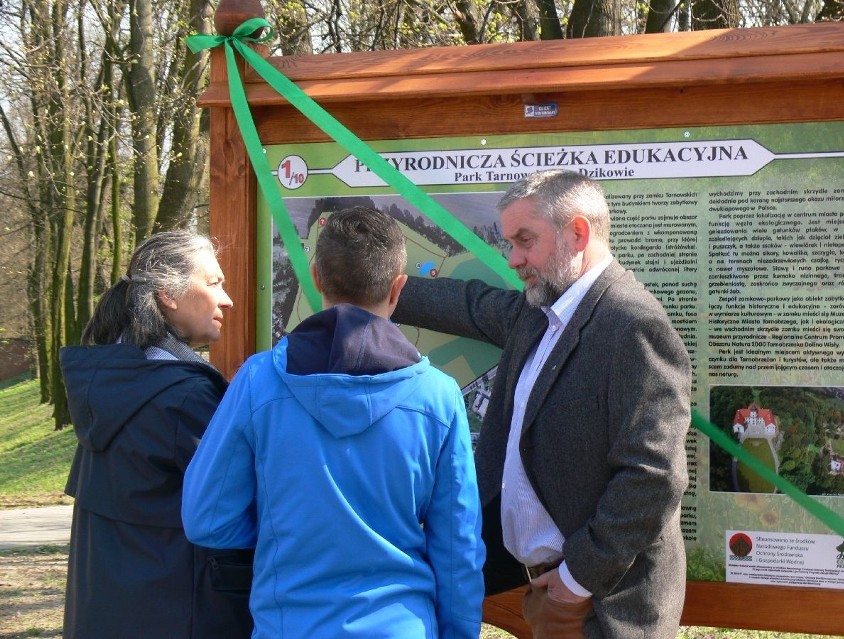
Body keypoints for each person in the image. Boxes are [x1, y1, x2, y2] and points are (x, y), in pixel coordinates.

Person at [391, 170, 692, 639]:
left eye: (524, 241)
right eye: (510, 243)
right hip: (547, 592)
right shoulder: (540, 314)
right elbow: (472, 305)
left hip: (601, 606)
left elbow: (653, 475)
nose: (514, 259)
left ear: (578, 231)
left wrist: (577, 580)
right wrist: (378, 286)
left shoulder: (632, 326)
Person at [182, 206, 485, 638]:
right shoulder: (438, 396)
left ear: (317, 278)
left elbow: (207, 518)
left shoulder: (259, 381)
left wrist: (284, 532)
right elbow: (458, 546)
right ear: (398, 288)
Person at [60, 230, 253, 639]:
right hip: (180, 615)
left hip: (106, 614)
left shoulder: (111, 384)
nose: (227, 299)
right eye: (214, 283)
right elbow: (241, 504)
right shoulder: (181, 397)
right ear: (169, 294)